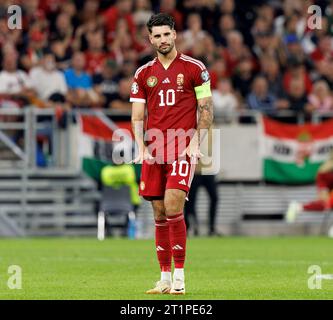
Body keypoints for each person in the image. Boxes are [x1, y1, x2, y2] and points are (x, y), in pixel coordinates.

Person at [130, 13, 213, 295]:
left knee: (174, 204)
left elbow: (206, 109)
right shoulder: (143, 74)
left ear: (175, 35)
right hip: (154, 151)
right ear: (150, 39)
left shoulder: (194, 68)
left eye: (167, 34)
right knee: (159, 211)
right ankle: (164, 278)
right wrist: (140, 147)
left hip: (182, 148)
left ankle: (180, 278)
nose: (163, 40)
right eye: (157, 36)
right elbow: (137, 116)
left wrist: (195, 142)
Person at [285, 151, 333, 223]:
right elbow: (324, 195)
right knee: (325, 203)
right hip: (328, 195)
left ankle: (298, 207)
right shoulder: (324, 171)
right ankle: (298, 207)